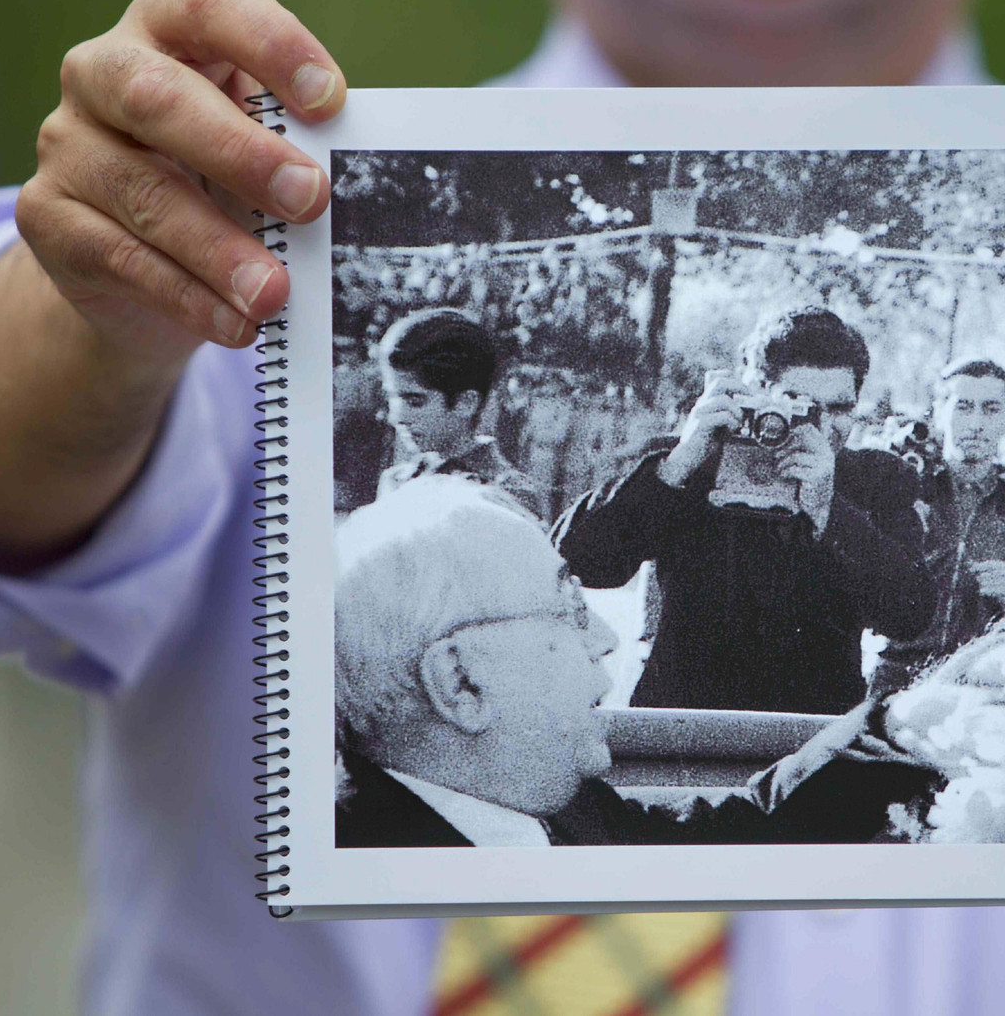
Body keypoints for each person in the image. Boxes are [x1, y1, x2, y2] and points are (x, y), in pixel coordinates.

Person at [0, 0, 1005, 1015]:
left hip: (820, 732)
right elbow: (589, 551)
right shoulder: (236, 222)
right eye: (772, 403)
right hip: (653, 716)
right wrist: (82, 308)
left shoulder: (889, 476)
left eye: (818, 408)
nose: (785, 426)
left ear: (854, 405)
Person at [334, 474, 928, 848]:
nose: (603, 638)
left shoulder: (569, 809)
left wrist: (918, 719)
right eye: (566, 606)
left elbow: (751, 827)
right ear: (459, 681)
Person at [554, 307, 936, 714]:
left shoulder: (877, 480)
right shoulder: (695, 462)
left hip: (811, 732)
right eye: (800, 404)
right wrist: (678, 463)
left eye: (840, 409)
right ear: (757, 392)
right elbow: (579, 561)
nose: (820, 428)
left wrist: (828, 511)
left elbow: (911, 613)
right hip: (687, 723)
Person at [873, 358, 1005, 695]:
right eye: (964, 407)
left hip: (977, 685)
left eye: (991, 409)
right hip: (894, 675)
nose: (976, 424)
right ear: (939, 412)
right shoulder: (904, 490)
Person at [374, 308, 541, 513]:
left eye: (415, 401)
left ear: (466, 403)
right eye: (392, 398)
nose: (396, 417)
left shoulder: (505, 494)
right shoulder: (397, 481)